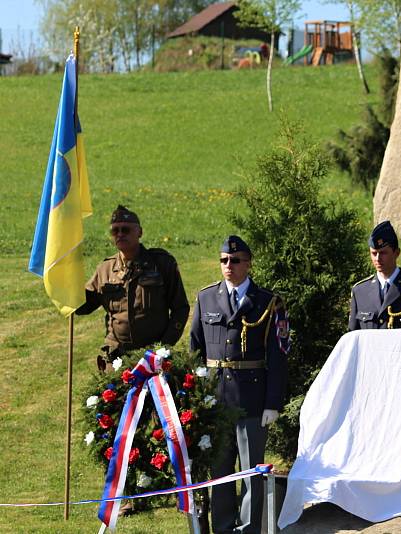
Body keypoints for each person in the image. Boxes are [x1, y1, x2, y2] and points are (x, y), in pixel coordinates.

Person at [190, 236, 290, 534]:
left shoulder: (269, 302)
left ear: (248, 263)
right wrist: (196, 399)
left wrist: (273, 402)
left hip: (252, 400)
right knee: (219, 472)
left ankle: (247, 530)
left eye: (235, 261)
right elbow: (195, 350)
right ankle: (222, 528)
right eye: (223, 260)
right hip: (217, 401)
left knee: (251, 473)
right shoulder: (206, 297)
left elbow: (279, 356)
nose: (228, 266)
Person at [76, 205, 189, 370]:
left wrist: (164, 347)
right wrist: (67, 288)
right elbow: (83, 306)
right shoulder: (105, 269)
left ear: (140, 232)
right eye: (115, 231)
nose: (120, 234)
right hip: (116, 358)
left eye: (126, 230)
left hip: (152, 357)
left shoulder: (161, 264)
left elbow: (181, 308)